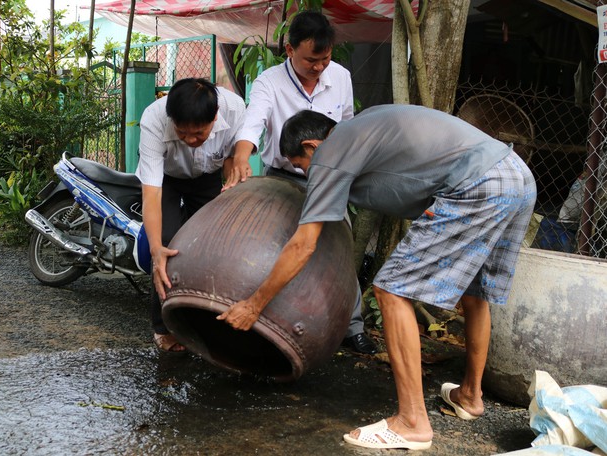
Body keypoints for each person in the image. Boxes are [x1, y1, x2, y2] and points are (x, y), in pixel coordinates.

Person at [217, 105, 537, 450]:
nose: (305, 173)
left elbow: (302, 246)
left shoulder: (331, 151)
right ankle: (470, 396)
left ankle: (412, 422)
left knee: (390, 289)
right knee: (475, 294)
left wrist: (254, 305)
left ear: (311, 146)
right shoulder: (364, 129)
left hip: (480, 183)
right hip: (516, 175)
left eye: (300, 165)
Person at [223, 10, 375, 354]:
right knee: (276, 246)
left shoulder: (342, 77)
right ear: (289, 51)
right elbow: (253, 123)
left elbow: (346, 128)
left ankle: (351, 327)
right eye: (311, 60)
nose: (320, 66)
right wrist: (243, 157)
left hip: (328, 179)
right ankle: (268, 320)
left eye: (325, 58)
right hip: (281, 177)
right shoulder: (269, 82)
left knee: (341, 249)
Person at [136, 78, 245, 353]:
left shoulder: (234, 108)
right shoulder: (153, 118)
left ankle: (203, 316)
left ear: (215, 117)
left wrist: (232, 178)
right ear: (170, 119)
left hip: (207, 177)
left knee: (212, 243)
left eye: (199, 133)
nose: (191, 140)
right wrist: (156, 247)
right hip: (166, 180)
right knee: (168, 245)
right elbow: (151, 193)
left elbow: (233, 154)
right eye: (182, 133)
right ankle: (162, 325)